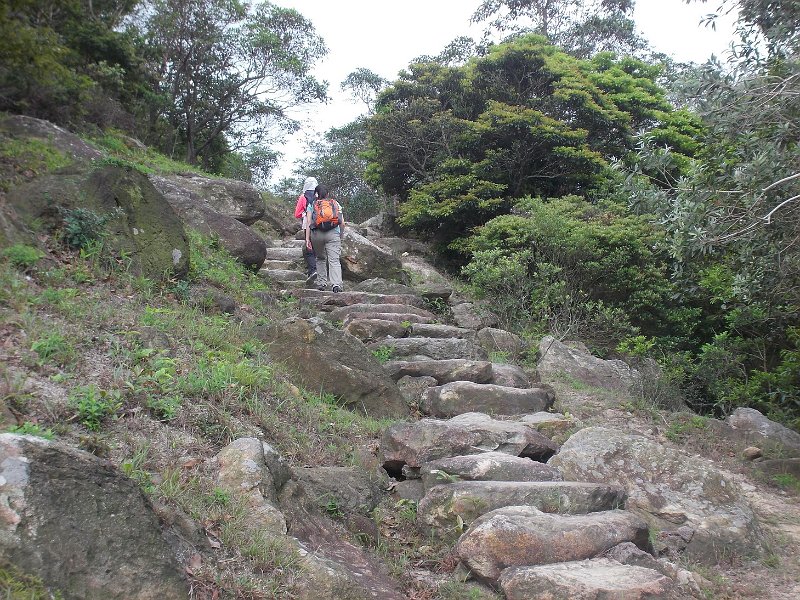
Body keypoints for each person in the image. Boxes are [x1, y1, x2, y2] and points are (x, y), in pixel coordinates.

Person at [305, 184, 345, 293]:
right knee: (334, 260)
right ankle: (336, 284)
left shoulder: (312, 204)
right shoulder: (335, 203)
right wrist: (340, 235)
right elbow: (342, 222)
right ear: (327, 194)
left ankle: (322, 283)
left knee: (320, 258)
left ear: (316, 194)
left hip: (316, 234)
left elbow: (309, 222)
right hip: (333, 233)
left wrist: (307, 239)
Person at [294, 176, 317, 283]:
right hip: (321, 225)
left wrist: (305, 213)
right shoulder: (319, 195)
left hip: (307, 224)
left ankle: (312, 271)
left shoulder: (303, 197)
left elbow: (297, 214)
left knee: (309, 248)